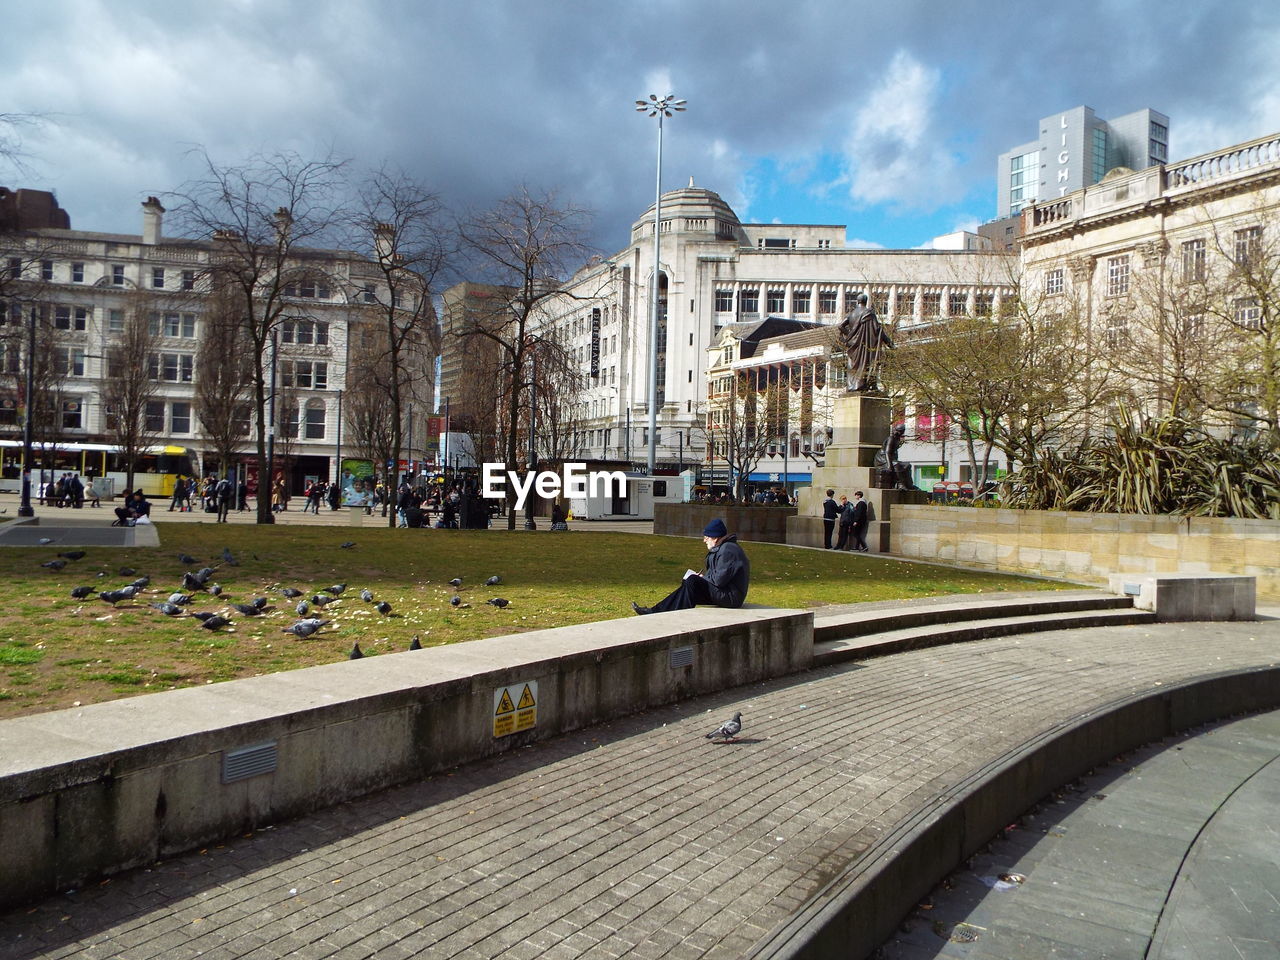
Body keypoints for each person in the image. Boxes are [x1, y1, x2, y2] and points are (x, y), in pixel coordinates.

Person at [632, 518, 750, 615]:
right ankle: (656, 611)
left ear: (715, 538)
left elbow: (719, 580)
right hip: (726, 593)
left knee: (692, 581)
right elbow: (716, 577)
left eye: (706, 537)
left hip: (731, 597)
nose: (704, 540)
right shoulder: (723, 549)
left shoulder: (728, 550)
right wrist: (702, 578)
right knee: (688, 584)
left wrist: (701, 578)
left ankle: (660, 613)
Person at [838, 291, 894, 392]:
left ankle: (852, 386)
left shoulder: (851, 314)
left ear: (857, 301)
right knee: (868, 364)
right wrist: (889, 343)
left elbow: (840, 326)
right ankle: (869, 386)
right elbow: (877, 330)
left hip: (853, 345)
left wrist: (850, 334)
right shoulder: (869, 313)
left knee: (853, 366)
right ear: (866, 301)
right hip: (865, 345)